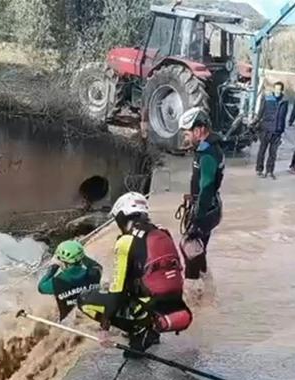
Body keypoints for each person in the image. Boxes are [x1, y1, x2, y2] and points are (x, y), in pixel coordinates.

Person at [77, 192, 192, 358]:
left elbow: (117, 291)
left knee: (86, 299)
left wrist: (104, 329)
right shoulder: (162, 232)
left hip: (148, 308)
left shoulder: (126, 240)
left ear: (123, 216)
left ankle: (138, 329)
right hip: (174, 305)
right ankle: (149, 329)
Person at [178, 107, 224, 301]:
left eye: (188, 133)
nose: (186, 137)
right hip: (211, 207)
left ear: (199, 130)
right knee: (199, 247)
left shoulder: (207, 154)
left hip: (206, 210)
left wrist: (197, 216)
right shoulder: (208, 148)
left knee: (189, 248)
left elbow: (206, 186)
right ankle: (207, 287)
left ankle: (193, 295)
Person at [37, 240, 103, 321]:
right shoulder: (94, 273)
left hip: (69, 323)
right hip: (95, 318)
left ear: (62, 262)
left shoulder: (57, 281)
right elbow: (97, 266)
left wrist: (53, 267)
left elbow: (40, 287)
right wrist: (81, 255)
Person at [254, 81, 289, 179]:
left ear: (282, 90)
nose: (278, 91)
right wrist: (256, 123)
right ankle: (259, 169)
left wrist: (282, 129)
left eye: (280, 89)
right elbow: (260, 112)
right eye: (276, 89)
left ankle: (269, 171)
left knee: (273, 153)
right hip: (266, 129)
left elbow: (284, 116)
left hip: (277, 131)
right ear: (274, 89)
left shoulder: (284, 102)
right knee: (262, 150)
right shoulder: (267, 98)